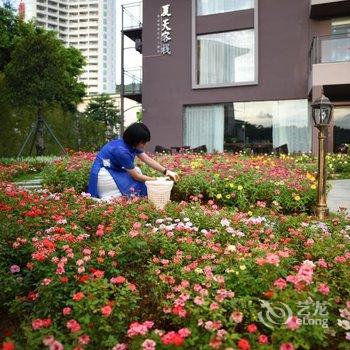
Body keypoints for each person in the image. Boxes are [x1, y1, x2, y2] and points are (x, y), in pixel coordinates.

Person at [87, 123, 179, 200]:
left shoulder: (131, 145)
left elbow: (147, 159)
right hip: (103, 174)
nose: (145, 144)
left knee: (138, 172)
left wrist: (166, 171)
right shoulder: (121, 151)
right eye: (143, 142)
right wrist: (157, 180)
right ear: (135, 140)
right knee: (132, 189)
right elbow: (136, 176)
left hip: (113, 170)